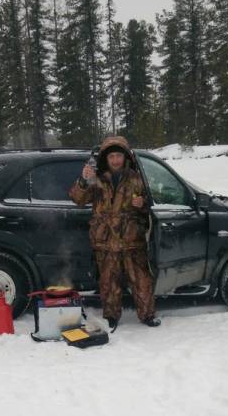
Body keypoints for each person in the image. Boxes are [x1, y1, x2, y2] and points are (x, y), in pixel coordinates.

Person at [69, 135, 160, 330]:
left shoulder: (136, 178)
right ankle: (111, 316)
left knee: (142, 281)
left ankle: (147, 315)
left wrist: (142, 204)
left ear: (125, 156)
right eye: (112, 157)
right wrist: (83, 180)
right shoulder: (96, 178)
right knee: (109, 283)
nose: (116, 160)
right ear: (106, 159)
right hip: (106, 241)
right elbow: (78, 199)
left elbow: (149, 205)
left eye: (119, 155)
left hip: (132, 240)